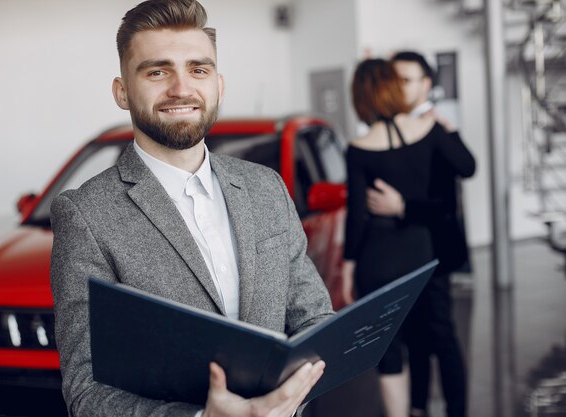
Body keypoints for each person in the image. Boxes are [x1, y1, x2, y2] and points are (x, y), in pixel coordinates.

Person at [49, 1, 333, 416]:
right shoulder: (85, 215)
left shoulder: (266, 187)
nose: (181, 88)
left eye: (197, 70)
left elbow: (314, 320)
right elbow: (86, 390)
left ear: (218, 83)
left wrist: (291, 396)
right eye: (158, 71)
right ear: (122, 91)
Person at [341, 58, 475, 417]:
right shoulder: (427, 132)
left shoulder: (359, 146)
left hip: (383, 254)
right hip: (420, 250)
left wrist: (349, 264)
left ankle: (417, 410)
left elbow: (357, 214)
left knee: (398, 347)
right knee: (428, 335)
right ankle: (426, 407)